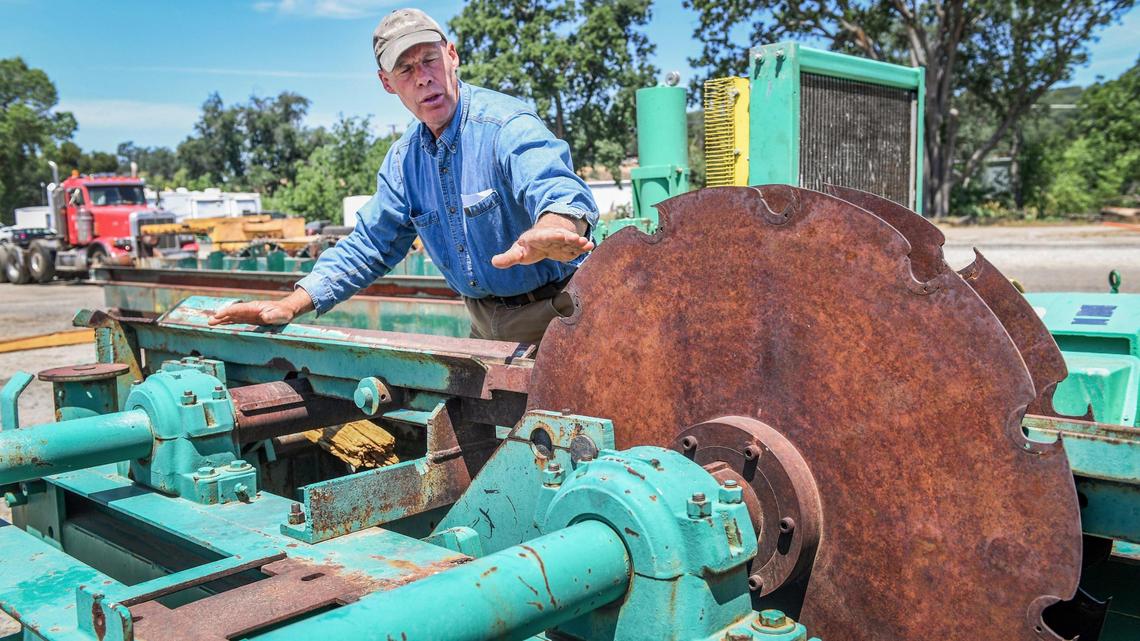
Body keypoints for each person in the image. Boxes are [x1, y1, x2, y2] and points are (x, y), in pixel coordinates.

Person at [208, 8, 599, 345]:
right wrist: (290, 304)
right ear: (386, 82)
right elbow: (369, 246)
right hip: (483, 325)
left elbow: (557, 187)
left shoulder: (504, 125)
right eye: (406, 69)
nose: (423, 78)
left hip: (557, 316)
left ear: (452, 56)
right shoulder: (403, 162)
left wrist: (555, 227)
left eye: (429, 60)